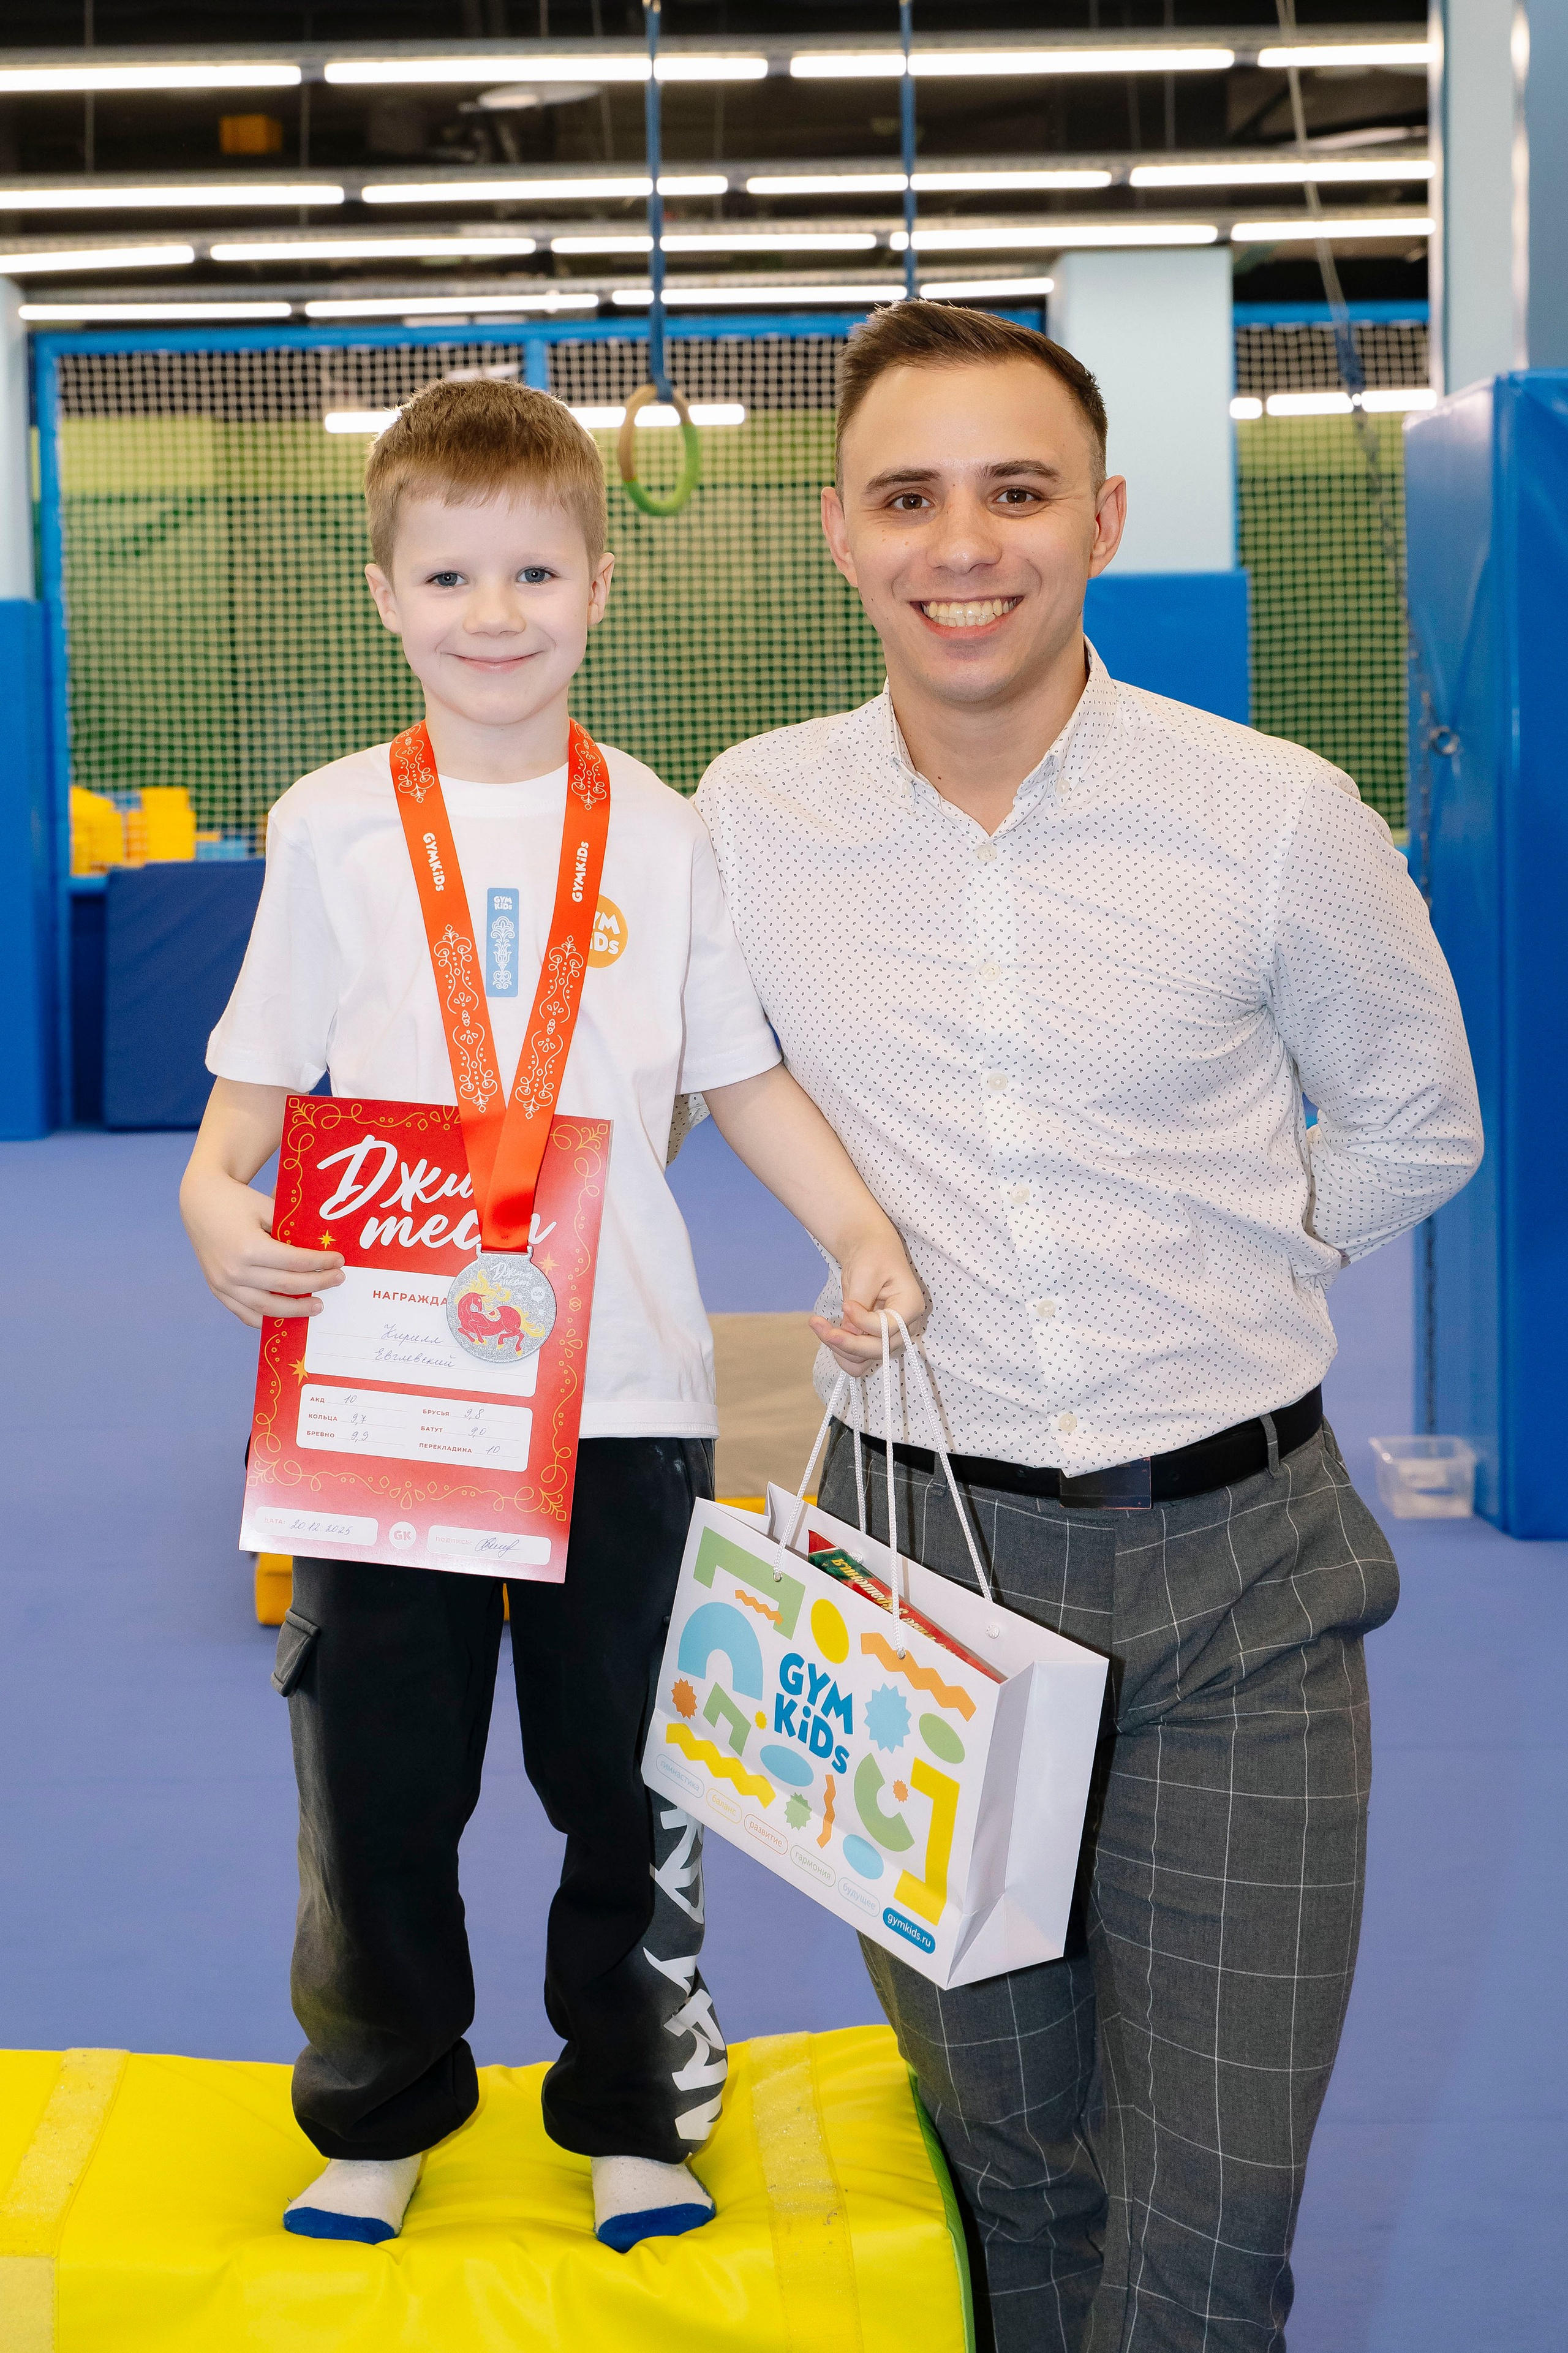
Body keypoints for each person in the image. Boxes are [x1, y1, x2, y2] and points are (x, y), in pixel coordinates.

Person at [696, 303, 1482, 2351]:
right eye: (910, 496)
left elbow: (1415, 1117)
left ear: (1106, 517)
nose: (968, 543)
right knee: (1015, 2180)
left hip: (1245, 1579)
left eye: (1019, 491)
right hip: (912, 1573)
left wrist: (1229, 1254)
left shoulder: (1272, 814)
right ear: (841, 536)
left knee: (1209, 2232)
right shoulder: (752, 822)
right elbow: (643, 1062)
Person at [179, 377, 924, 2253]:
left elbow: (740, 1074)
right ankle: (377, 2099)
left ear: (600, 585)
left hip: (627, 1385)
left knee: (629, 1771)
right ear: (386, 596)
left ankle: (632, 2102)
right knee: (373, 1781)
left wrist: (851, 1227)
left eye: (532, 570)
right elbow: (247, 1106)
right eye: (449, 574)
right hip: (381, 1388)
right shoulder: (331, 827)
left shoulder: (666, 834)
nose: (491, 611)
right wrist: (211, 1208)